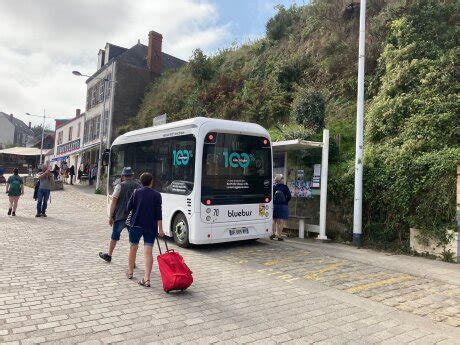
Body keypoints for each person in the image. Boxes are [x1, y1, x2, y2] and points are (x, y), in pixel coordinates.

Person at [126, 172, 164, 287]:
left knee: (133, 248)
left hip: (136, 225)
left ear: (140, 182)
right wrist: (160, 229)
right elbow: (159, 214)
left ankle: (131, 272)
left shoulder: (136, 192)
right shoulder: (157, 195)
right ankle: (147, 278)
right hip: (150, 227)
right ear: (151, 182)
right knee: (148, 252)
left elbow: (128, 207)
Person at [99, 167, 141, 263]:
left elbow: (113, 201)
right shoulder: (138, 186)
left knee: (114, 236)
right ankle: (132, 261)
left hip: (120, 216)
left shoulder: (119, 186)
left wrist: (110, 216)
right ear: (132, 176)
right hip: (133, 217)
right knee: (133, 240)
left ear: (122, 176)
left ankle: (109, 255)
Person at [272, 174, 291, 241]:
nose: (283, 179)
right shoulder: (285, 187)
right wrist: (285, 201)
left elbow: (271, 196)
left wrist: (275, 202)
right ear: (280, 180)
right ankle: (279, 236)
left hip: (275, 205)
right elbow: (289, 196)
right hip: (283, 205)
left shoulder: (274, 187)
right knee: (281, 221)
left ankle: (273, 234)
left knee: (274, 220)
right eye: (282, 178)